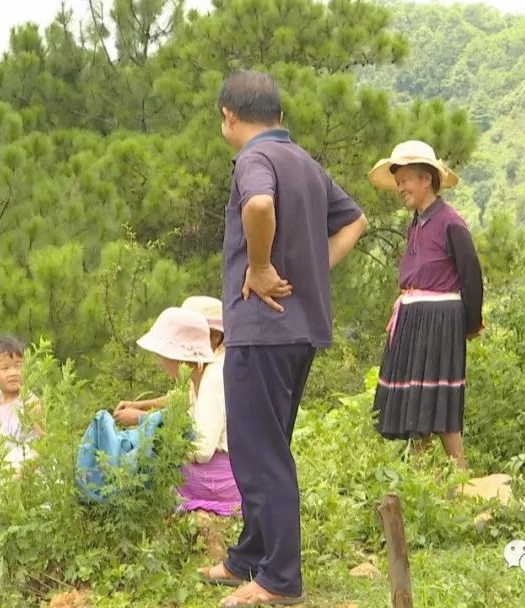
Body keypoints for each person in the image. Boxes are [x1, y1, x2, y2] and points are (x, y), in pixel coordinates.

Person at [201, 70, 368, 608]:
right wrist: (312, 270)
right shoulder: (305, 163)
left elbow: (258, 207)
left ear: (229, 114)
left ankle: (279, 579)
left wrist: (259, 265)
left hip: (262, 328)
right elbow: (355, 221)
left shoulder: (254, 160)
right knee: (265, 445)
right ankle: (249, 555)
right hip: (299, 330)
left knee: (260, 452)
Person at [366, 140, 484, 471]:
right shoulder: (416, 223)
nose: (400, 187)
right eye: (399, 180)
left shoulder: (451, 223)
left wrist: (470, 324)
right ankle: (420, 484)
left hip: (440, 319)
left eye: (406, 180)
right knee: (418, 401)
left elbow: (472, 277)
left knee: (440, 399)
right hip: (415, 318)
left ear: (426, 180)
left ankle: (459, 475)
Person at [132, 307, 241, 518]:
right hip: (216, 475)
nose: (161, 362)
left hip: (221, 479)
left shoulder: (214, 380)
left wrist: (166, 441)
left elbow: (202, 449)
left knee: (152, 459)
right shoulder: (197, 379)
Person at [113, 296, 226, 426]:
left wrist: (142, 418)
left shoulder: (218, 373)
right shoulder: (198, 368)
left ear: (216, 336)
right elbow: (184, 398)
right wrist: (139, 405)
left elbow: (200, 430)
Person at [0, 334, 43, 471]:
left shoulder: (30, 403)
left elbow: (44, 445)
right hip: (3, 467)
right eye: (5, 368)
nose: (13, 373)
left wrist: (22, 472)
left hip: (29, 470)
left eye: (18, 366)